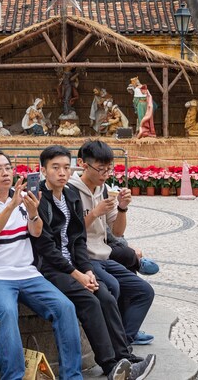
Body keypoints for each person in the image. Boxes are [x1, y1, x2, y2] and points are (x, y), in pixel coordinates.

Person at [33, 145, 155, 380]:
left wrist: (86, 269)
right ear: (43, 170)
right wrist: (77, 274)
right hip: (52, 268)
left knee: (107, 297)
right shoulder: (40, 199)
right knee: (91, 300)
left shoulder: (69, 195)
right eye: (55, 167)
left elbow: (78, 238)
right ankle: (111, 366)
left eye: (66, 167)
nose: (62, 173)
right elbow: (46, 248)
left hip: (79, 264)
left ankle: (124, 357)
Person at [0, 149, 83, 380]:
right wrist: (12, 205)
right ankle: (13, 376)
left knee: (65, 307)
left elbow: (36, 230)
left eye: (8, 168)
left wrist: (33, 212)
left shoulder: (23, 198)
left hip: (27, 273)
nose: (5, 173)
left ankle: (72, 376)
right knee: (7, 312)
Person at [70, 140, 158, 349]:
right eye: (100, 169)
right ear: (83, 164)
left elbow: (117, 232)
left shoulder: (104, 189)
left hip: (104, 256)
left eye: (109, 168)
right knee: (113, 286)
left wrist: (122, 208)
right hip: (83, 258)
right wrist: (95, 213)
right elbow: (69, 232)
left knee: (144, 291)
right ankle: (114, 348)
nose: (105, 173)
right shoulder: (69, 191)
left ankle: (123, 342)